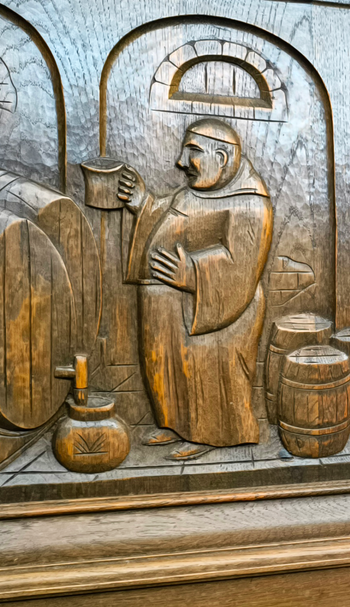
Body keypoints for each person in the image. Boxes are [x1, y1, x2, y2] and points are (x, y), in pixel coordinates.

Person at [118, 118, 273, 460]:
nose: (180, 162)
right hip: (171, 310)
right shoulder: (195, 190)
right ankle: (175, 425)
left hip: (218, 315)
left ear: (221, 157)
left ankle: (211, 435)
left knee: (206, 371)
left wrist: (192, 273)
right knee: (169, 368)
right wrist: (143, 203)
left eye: (193, 152)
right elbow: (167, 215)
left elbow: (242, 265)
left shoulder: (250, 203)